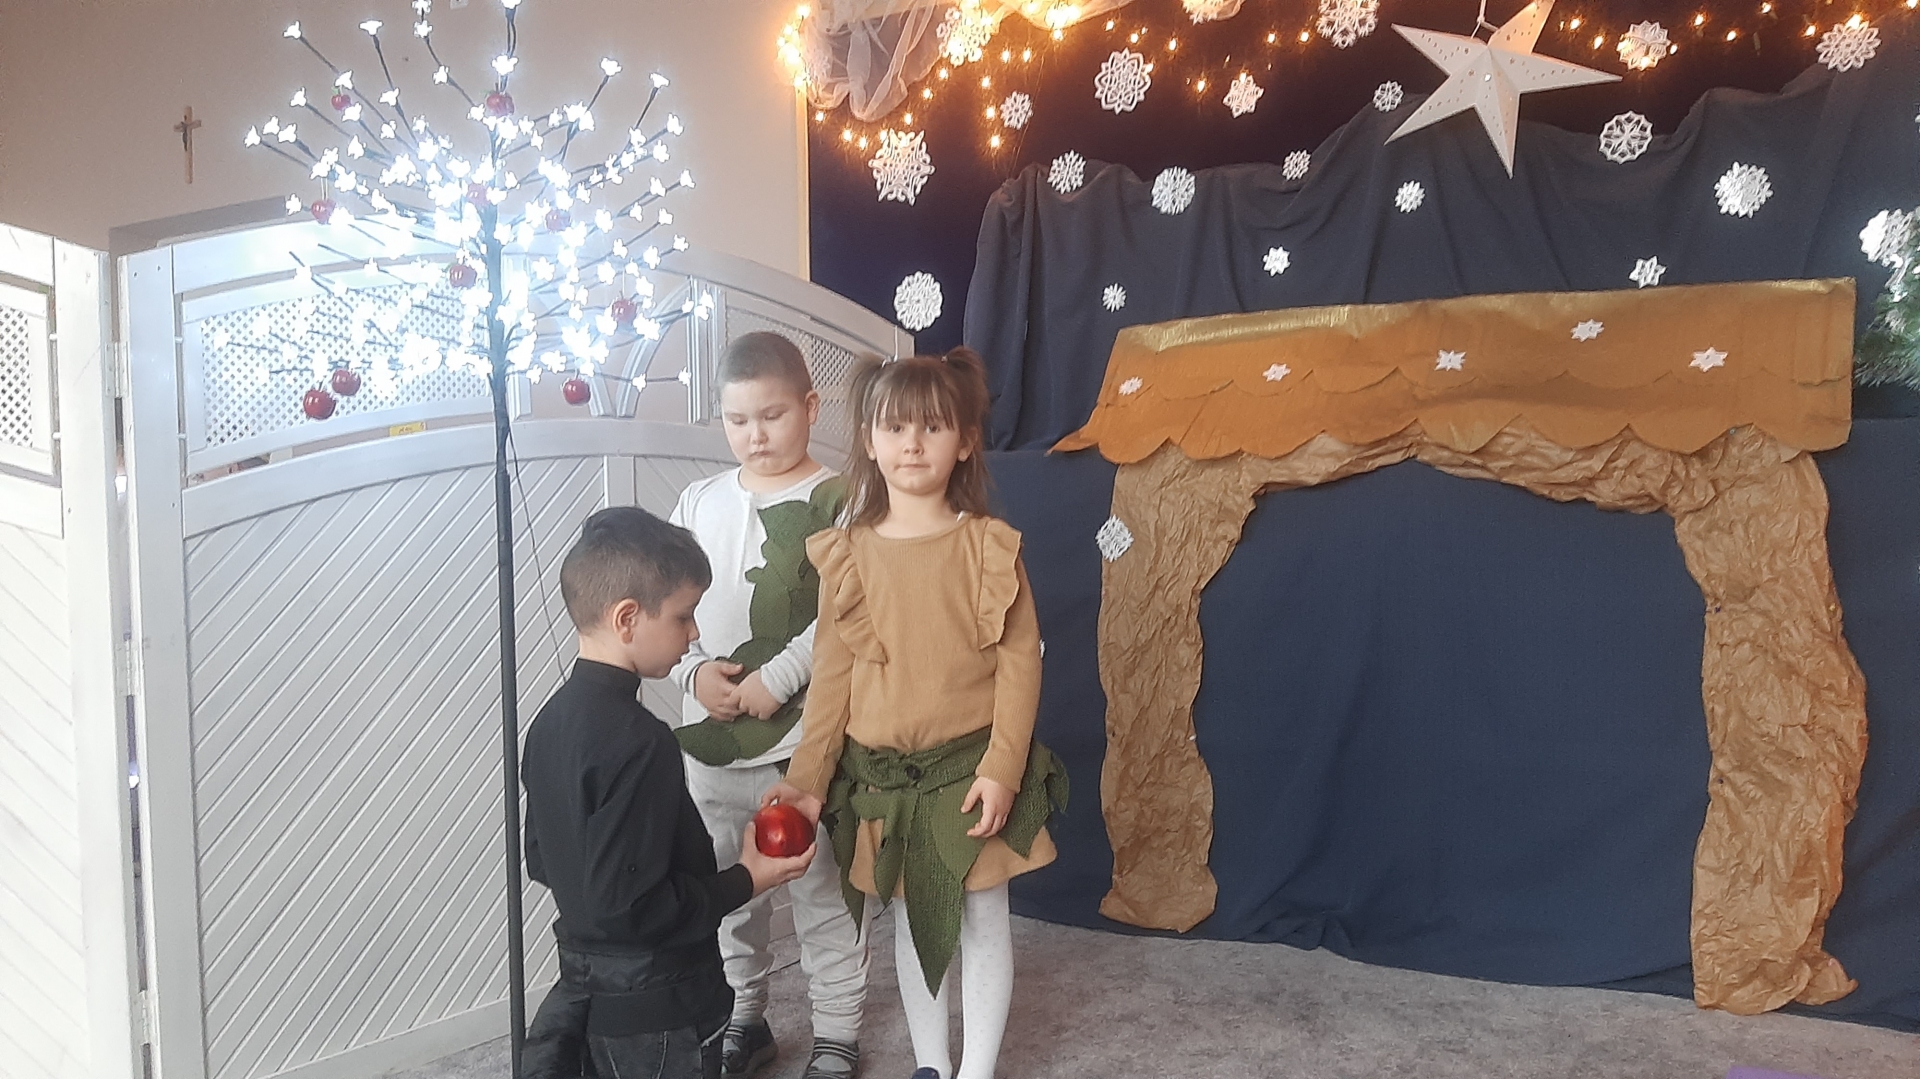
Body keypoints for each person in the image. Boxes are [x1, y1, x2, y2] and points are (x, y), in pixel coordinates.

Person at [764, 349, 1069, 1079]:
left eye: (932, 427)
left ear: (965, 440)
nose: (911, 443)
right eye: (894, 427)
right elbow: (831, 680)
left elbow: (1020, 666)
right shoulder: (848, 555)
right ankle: (931, 1064)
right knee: (910, 918)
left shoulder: (988, 547)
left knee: (984, 917)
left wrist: (1003, 768)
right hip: (886, 780)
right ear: (869, 440)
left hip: (969, 772)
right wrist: (806, 781)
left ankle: (977, 1071)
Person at [521, 505, 816, 1079]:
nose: (695, 633)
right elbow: (637, 907)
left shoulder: (547, 724)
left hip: (589, 990)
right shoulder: (641, 741)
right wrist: (748, 878)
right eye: (684, 616)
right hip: (659, 1006)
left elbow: (541, 858)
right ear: (627, 618)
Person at [666, 331, 870, 1079]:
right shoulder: (698, 501)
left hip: (802, 749)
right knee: (729, 896)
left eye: (773, 415)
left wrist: (780, 677)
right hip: (711, 749)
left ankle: (838, 1031)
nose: (755, 435)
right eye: (738, 419)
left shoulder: (843, 501)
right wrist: (692, 675)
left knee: (823, 895)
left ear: (810, 408)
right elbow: (666, 605)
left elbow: (847, 612)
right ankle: (743, 1018)